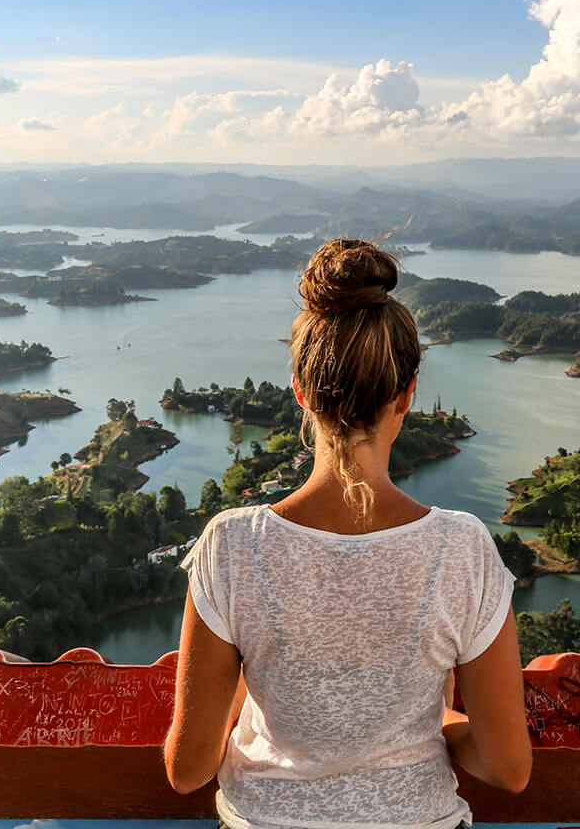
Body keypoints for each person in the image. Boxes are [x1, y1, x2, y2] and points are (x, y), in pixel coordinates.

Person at [164, 238, 532, 829]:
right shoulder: (461, 549)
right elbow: (507, 767)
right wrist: (435, 723)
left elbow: (188, 770)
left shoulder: (231, 546)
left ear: (301, 393)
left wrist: (249, 696)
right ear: (407, 395)